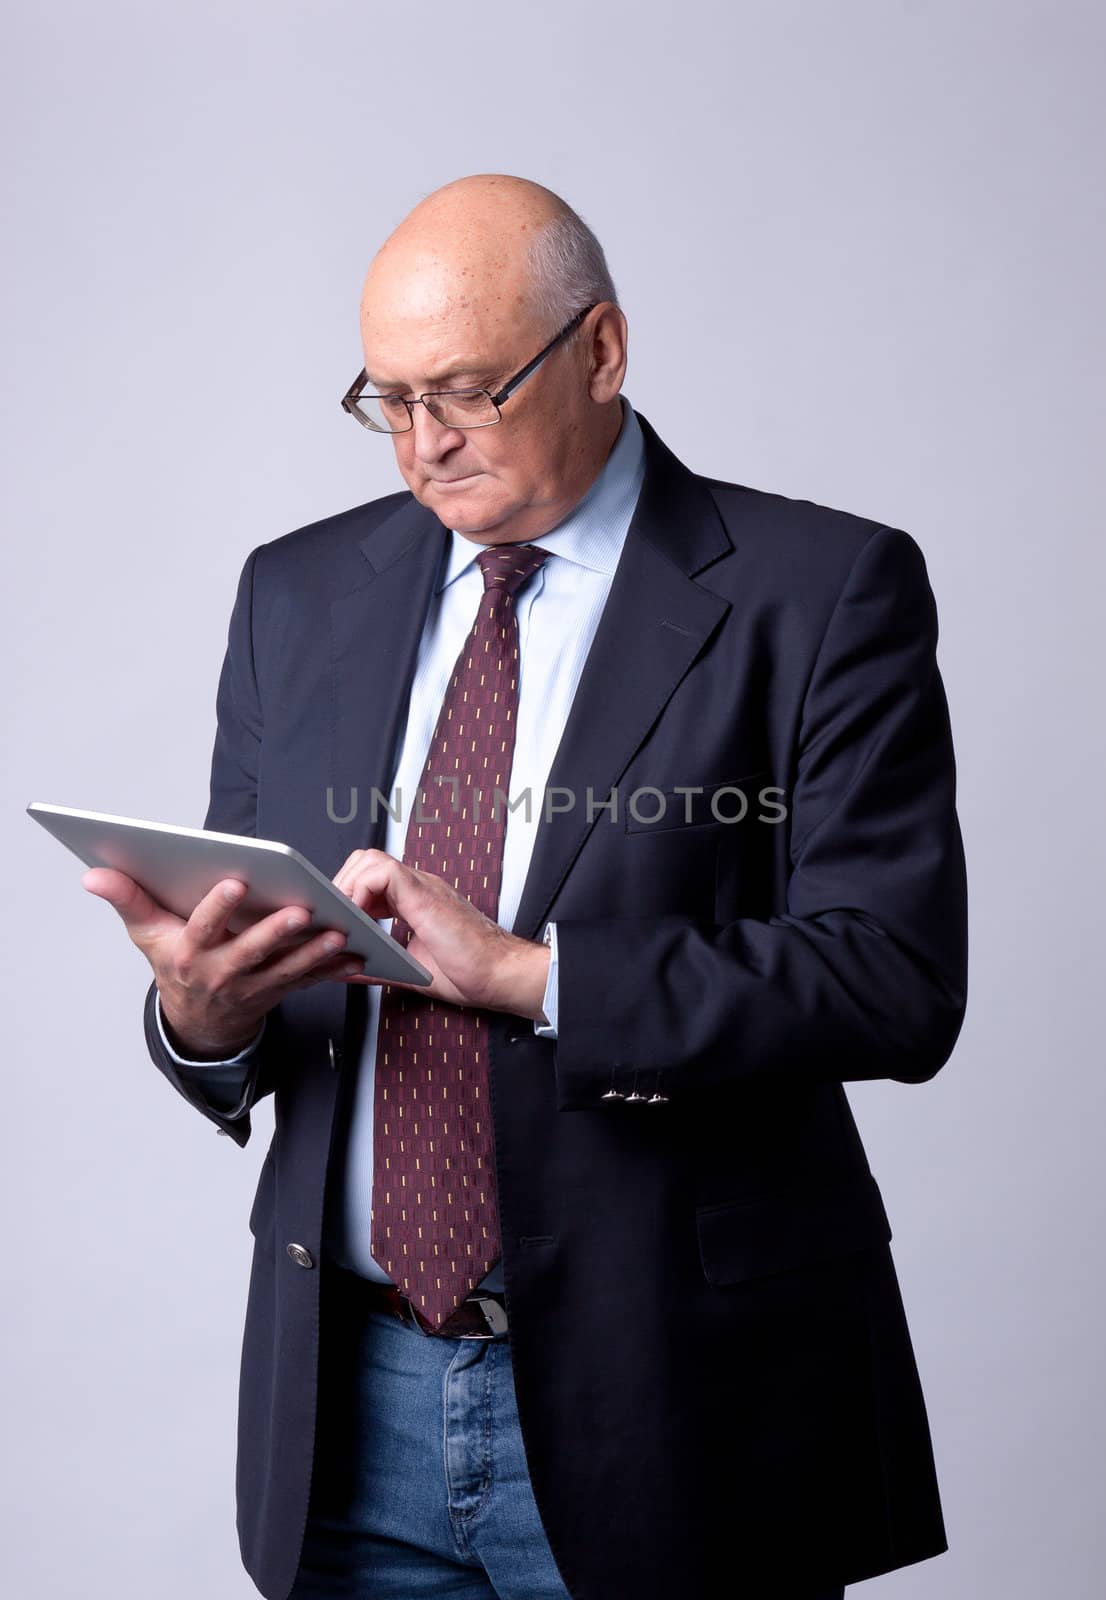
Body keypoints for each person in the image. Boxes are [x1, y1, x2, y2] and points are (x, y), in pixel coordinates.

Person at [84, 174, 968, 1600]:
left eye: (466, 393)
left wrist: (536, 978)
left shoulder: (820, 589)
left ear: (602, 351)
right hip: (344, 1401)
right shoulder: (294, 593)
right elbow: (248, 981)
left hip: (677, 1398)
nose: (423, 449)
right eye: (387, 401)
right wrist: (203, 1014)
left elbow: (892, 979)